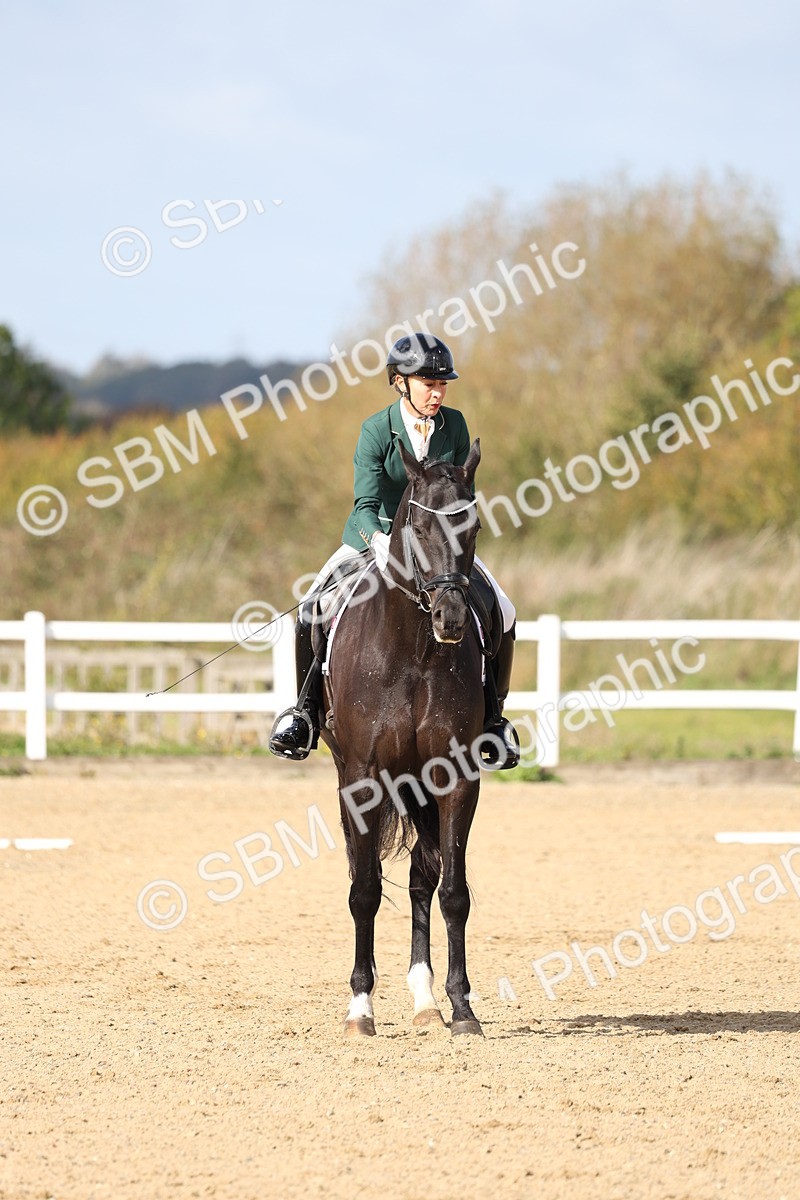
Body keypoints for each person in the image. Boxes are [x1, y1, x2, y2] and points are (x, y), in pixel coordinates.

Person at [268, 333, 520, 768]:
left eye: (443, 384)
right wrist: (383, 544)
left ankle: (494, 720)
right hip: (375, 538)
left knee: (505, 607)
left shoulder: (455, 425)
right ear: (400, 382)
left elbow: (462, 495)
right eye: (428, 383)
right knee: (312, 606)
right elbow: (364, 506)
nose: (437, 393)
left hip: (440, 547)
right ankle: (304, 713)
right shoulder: (375, 430)